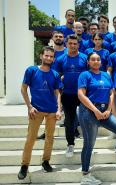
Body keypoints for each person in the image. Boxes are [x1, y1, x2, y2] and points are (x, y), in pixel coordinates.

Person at [78, 52, 116, 185]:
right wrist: (95, 111)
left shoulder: (105, 75)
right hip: (89, 112)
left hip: (105, 112)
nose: (96, 61)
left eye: (98, 59)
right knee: (89, 144)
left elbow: (111, 93)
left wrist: (109, 109)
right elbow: (81, 95)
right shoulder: (84, 75)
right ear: (88, 62)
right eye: (93, 59)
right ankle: (85, 175)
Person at [18, 46, 62, 180]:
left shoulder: (55, 74)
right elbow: (23, 89)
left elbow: (57, 92)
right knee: (30, 139)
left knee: (49, 138)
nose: (48, 58)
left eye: (51, 56)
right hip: (36, 111)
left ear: (53, 58)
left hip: (51, 112)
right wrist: (29, 106)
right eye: (46, 55)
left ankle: (46, 161)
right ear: (41, 56)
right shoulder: (31, 70)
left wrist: (59, 109)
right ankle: (24, 166)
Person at [53, 34, 88, 158]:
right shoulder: (60, 59)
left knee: (86, 119)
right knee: (69, 120)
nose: (73, 46)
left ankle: (87, 144)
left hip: (83, 94)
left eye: (75, 44)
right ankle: (70, 145)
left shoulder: (84, 57)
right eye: (70, 43)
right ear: (66, 44)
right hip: (67, 94)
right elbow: (56, 76)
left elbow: (90, 74)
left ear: (78, 45)